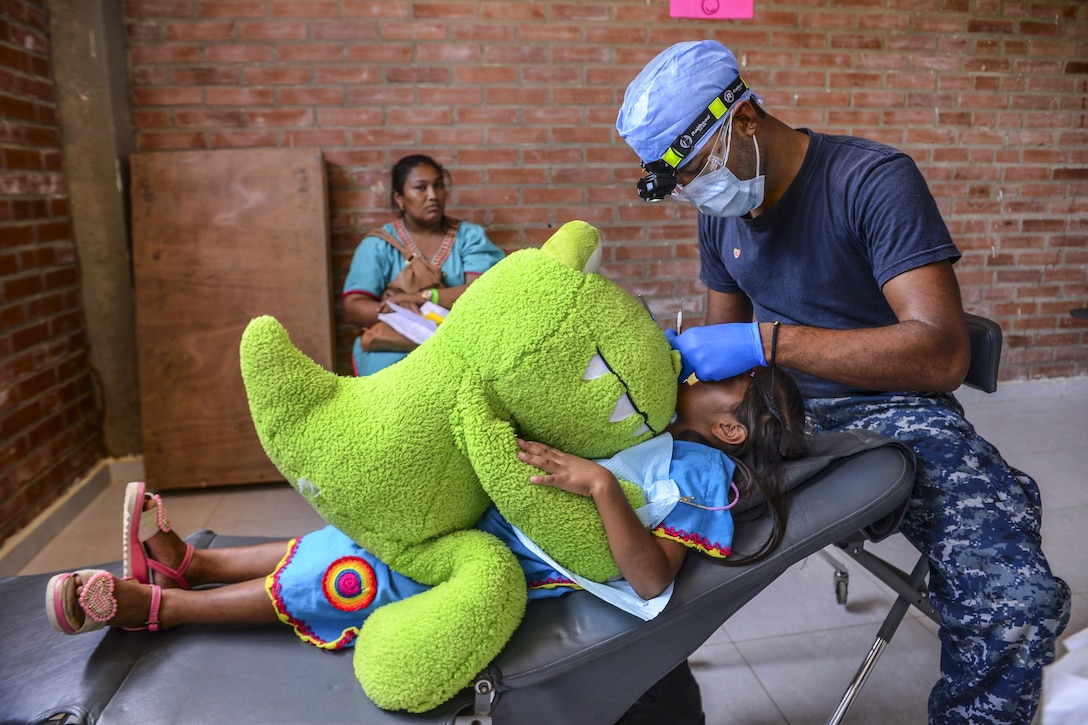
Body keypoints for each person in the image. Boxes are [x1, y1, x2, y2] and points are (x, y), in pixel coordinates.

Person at [616, 39, 1070, 724]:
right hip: (772, 410)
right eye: (681, 183)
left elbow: (943, 354)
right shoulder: (722, 214)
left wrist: (768, 340)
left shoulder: (870, 180)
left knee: (1011, 592)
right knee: (619, 498)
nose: (699, 192)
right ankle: (651, 700)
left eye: (700, 169)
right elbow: (724, 355)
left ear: (741, 120)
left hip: (892, 409)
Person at [45, 367, 806, 721]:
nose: (698, 371)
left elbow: (650, 581)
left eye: (721, 380)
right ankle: (201, 562)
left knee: (355, 569)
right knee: (363, 526)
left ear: (730, 428)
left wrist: (599, 488)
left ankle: (163, 608)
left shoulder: (703, 476)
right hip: (488, 510)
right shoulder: (642, 419)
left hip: (504, 563)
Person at [342, 154, 505, 375]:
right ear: (399, 198)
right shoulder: (378, 245)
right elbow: (354, 307)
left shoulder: (469, 237)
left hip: (458, 342)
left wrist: (423, 299)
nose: (433, 195)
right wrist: (398, 312)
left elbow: (483, 293)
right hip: (394, 345)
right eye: (421, 188)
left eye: (438, 186)